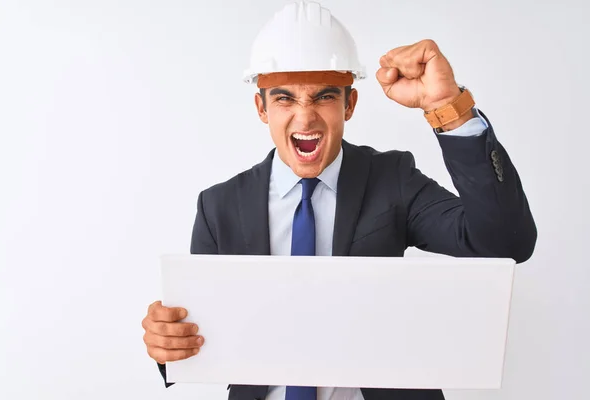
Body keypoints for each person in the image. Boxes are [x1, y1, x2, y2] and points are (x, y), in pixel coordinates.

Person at [141, 1, 537, 399]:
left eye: (324, 97)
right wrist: (168, 343)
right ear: (261, 107)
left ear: (350, 104)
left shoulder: (392, 180)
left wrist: (448, 110)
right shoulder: (218, 207)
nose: (305, 117)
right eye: (284, 99)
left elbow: (504, 243)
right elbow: (206, 338)